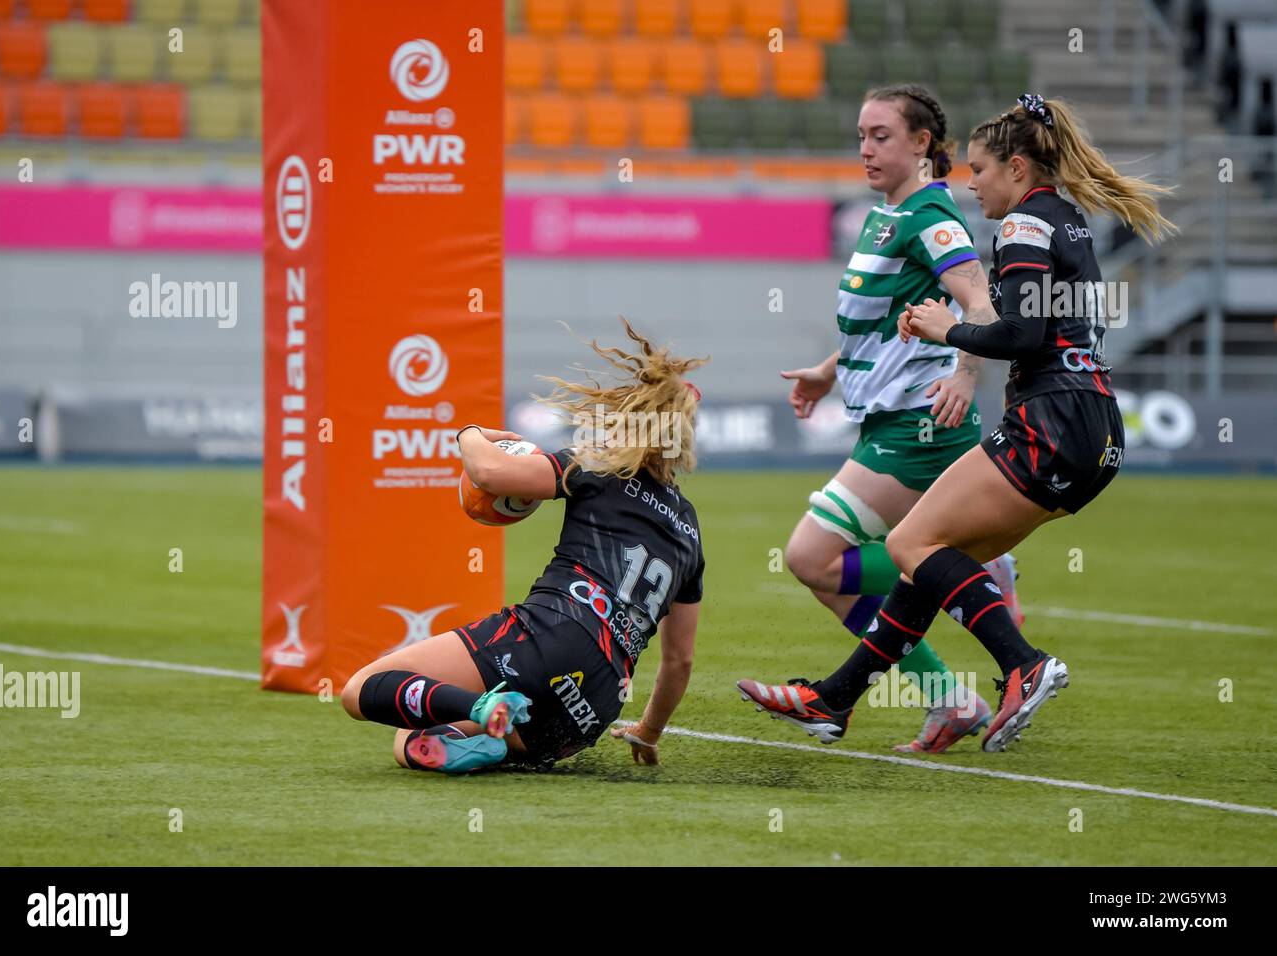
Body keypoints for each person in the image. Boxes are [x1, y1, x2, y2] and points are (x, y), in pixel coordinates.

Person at [738, 93, 1175, 753]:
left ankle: (1021, 662)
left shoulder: (1020, 225)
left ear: (1019, 167)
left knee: (908, 548)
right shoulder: (1068, 218)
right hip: (1092, 426)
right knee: (927, 554)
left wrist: (956, 338)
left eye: (981, 170)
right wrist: (841, 365)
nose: (972, 184)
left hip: (1044, 421)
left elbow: (1019, 332)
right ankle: (840, 697)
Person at [769, 84, 1019, 753]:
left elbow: (981, 300)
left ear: (921, 144)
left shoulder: (930, 214)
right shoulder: (888, 214)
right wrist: (830, 369)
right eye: (860, 135)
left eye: (880, 135)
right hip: (887, 420)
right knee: (822, 563)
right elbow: (885, 322)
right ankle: (947, 692)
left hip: (921, 424)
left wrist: (966, 375)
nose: (866, 149)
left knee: (812, 556)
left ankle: (968, 569)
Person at [341, 319, 707, 773]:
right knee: (411, 739)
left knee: (361, 689)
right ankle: (491, 734)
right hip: (592, 704)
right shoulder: (690, 531)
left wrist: (468, 434)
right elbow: (679, 660)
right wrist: (648, 731)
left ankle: (481, 709)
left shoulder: (596, 468)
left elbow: (489, 474)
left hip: (548, 637)